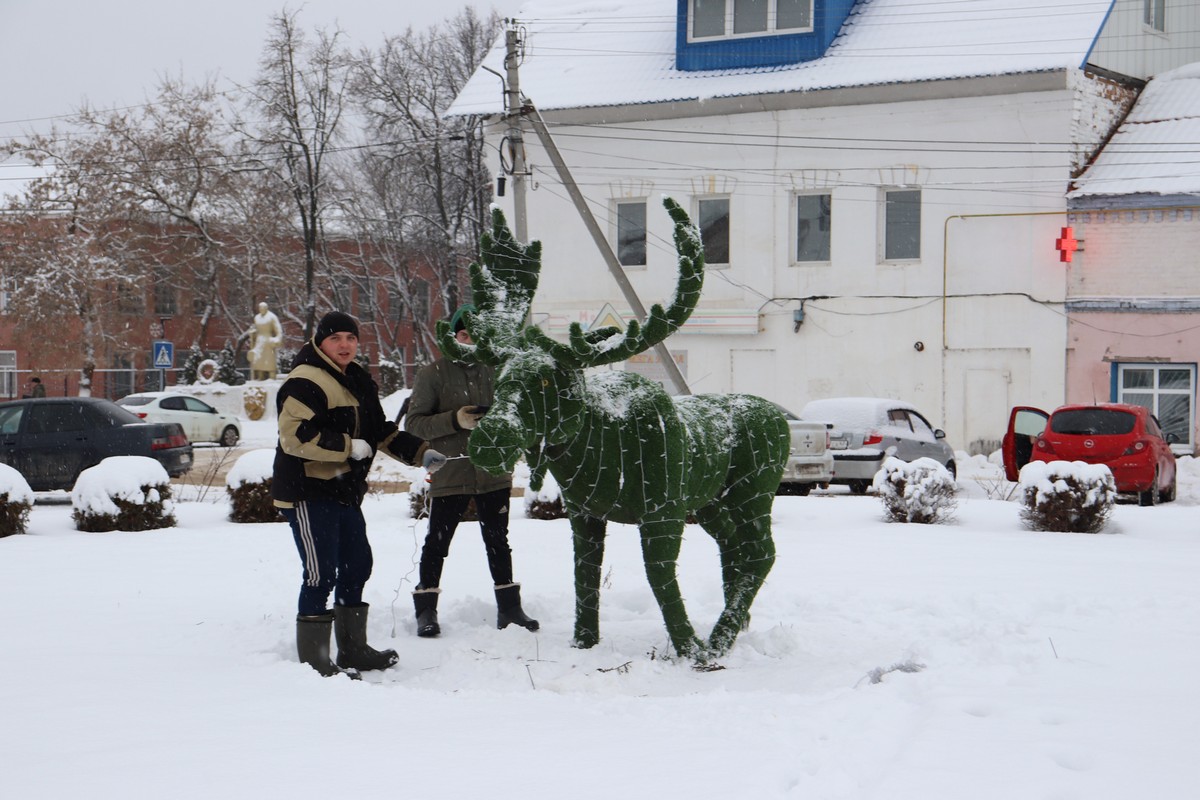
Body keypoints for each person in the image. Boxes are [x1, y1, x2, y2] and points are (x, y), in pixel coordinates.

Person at [273, 310, 447, 678]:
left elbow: (380, 431)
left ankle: (352, 649)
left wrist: (420, 453)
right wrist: (348, 448)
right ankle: (315, 662)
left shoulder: (357, 380)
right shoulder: (305, 381)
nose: (345, 345)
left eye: (351, 338)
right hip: (307, 490)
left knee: (357, 566)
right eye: (336, 338)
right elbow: (294, 438)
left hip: (343, 491)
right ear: (321, 342)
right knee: (321, 574)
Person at [404, 304, 539, 638]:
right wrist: (455, 420)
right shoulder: (432, 374)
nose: (470, 341)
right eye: (464, 334)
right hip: (450, 472)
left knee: (498, 541)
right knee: (437, 543)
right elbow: (414, 424)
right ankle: (426, 610)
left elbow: (516, 414)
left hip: (492, 472)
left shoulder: (496, 371)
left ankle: (509, 609)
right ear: (454, 336)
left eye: (477, 335)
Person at [248, 301, 284, 380]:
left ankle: (271, 376)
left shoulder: (272, 317)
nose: (261, 309)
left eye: (263, 307)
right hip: (259, 340)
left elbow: (278, 329)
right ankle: (260, 376)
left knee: (269, 359)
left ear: (266, 308)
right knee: (258, 358)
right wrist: (253, 332)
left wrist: (278, 338)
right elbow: (256, 328)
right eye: (260, 308)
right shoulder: (257, 317)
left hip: (268, 339)